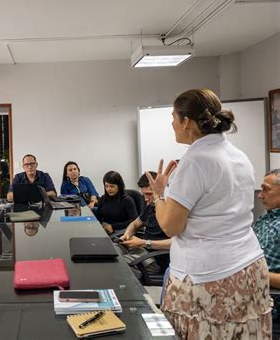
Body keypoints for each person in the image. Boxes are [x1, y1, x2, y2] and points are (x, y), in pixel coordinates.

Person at [146, 89, 270, 338]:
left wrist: (159, 194)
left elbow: (171, 226)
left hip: (211, 277)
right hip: (249, 267)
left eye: (173, 117)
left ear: (186, 122)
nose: (171, 124)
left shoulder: (195, 160)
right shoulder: (239, 155)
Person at [118, 171, 171, 274]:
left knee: (118, 264)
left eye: (149, 194)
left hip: (156, 259)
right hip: (143, 250)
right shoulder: (150, 207)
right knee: (113, 251)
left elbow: (176, 243)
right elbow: (134, 224)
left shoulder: (171, 210)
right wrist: (127, 234)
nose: (146, 199)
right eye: (144, 194)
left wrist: (144, 243)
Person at [253, 169, 280, 323]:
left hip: (272, 310)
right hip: (254, 301)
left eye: (266, 189)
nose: (260, 195)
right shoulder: (264, 219)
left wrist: (254, 275)